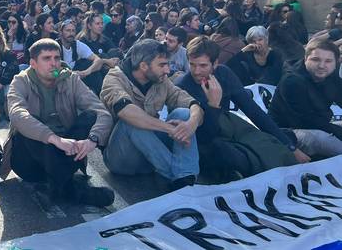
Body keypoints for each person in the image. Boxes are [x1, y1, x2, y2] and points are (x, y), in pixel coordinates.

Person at [0, 38, 115, 207]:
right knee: (30, 122)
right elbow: (17, 115)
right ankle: (72, 188)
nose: (53, 63)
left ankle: (54, 187)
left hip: (66, 151)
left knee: (90, 116)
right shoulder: (21, 81)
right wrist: (54, 139)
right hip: (30, 160)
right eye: (47, 59)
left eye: (56, 58)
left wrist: (93, 140)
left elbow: (101, 112)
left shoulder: (70, 79)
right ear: (33, 63)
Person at [176, 37, 305, 180]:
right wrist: (213, 105)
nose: (196, 71)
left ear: (215, 64)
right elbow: (204, 136)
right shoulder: (183, 86)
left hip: (230, 128)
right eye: (192, 65)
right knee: (222, 152)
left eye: (203, 66)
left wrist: (290, 147)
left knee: (278, 139)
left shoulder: (223, 74)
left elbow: (253, 111)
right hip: (205, 138)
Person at [100, 39, 203, 190]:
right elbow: (127, 112)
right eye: (162, 65)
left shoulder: (161, 80)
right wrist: (170, 129)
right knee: (130, 119)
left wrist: (190, 125)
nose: (168, 70)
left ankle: (186, 178)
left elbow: (190, 102)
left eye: (167, 64)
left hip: (150, 156)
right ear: (143, 66)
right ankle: (180, 177)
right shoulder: (114, 78)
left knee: (184, 113)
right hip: (121, 158)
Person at [270, 39, 342, 158]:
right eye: (316, 59)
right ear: (305, 59)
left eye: (328, 61)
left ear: (336, 63)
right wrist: (337, 131)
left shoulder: (331, 76)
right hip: (289, 131)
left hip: (319, 123)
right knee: (330, 142)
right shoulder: (292, 81)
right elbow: (306, 120)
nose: (322, 66)